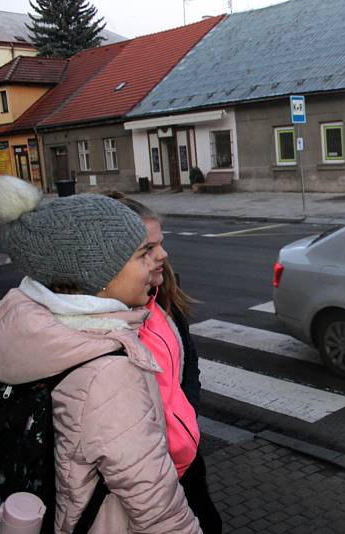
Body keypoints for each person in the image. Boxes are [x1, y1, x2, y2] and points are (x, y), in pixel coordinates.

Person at [0, 176, 202, 533]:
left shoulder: (37, 332)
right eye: (141, 254)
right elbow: (156, 507)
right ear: (99, 274)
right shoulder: (109, 371)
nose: (154, 265)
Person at [106, 192, 222, 533]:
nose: (163, 255)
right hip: (148, 476)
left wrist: (188, 407)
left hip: (187, 459)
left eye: (160, 243)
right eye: (147, 250)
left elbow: (188, 360)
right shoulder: (102, 330)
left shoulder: (164, 292)